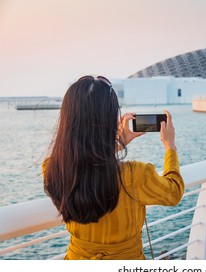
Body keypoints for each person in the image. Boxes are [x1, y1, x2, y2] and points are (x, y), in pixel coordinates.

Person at [42, 75, 185, 260]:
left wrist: (119, 143)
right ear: (109, 118)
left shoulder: (53, 169)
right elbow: (173, 192)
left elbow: (88, 165)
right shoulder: (136, 175)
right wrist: (170, 146)